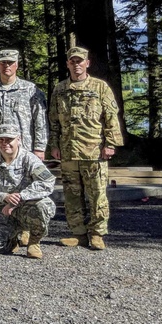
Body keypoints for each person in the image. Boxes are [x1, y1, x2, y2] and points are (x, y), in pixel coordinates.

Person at [48, 46, 123, 250]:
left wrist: (110, 144)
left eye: (80, 61)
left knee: (97, 194)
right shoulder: (60, 89)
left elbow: (110, 118)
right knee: (72, 195)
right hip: (68, 151)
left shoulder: (100, 87)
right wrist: (54, 145)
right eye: (72, 61)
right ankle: (78, 233)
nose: (76, 64)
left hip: (94, 151)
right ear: (67, 64)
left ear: (87, 63)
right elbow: (54, 121)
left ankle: (97, 234)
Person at [0, 124, 57, 259]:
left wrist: (21, 197)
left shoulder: (29, 159)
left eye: (9, 140)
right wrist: (4, 197)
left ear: (18, 140)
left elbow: (47, 182)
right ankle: (12, 239)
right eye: (1, 140)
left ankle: (34, 242)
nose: (5, 143)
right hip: (0, 210)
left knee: (43, 205)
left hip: (25, 208)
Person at [0, 49, 48, 160]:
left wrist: (40, 147)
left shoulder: (30, 90)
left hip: (25, 149)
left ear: (16, 65)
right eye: (3, 63)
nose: (6, 66)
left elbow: (40, 120)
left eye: (10, 63)